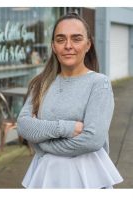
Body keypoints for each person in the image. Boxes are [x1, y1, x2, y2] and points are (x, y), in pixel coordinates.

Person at [17, 13, 123, 189]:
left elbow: (92, 140)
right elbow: (23, 126)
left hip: (88, 177)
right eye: (61, 39)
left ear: (88, 44)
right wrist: (67, 128)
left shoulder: (99, 83)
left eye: (76, 39)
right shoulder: (41, 83)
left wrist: (42, 142)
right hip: (46, 175)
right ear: (53, 46)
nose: (68, 46)